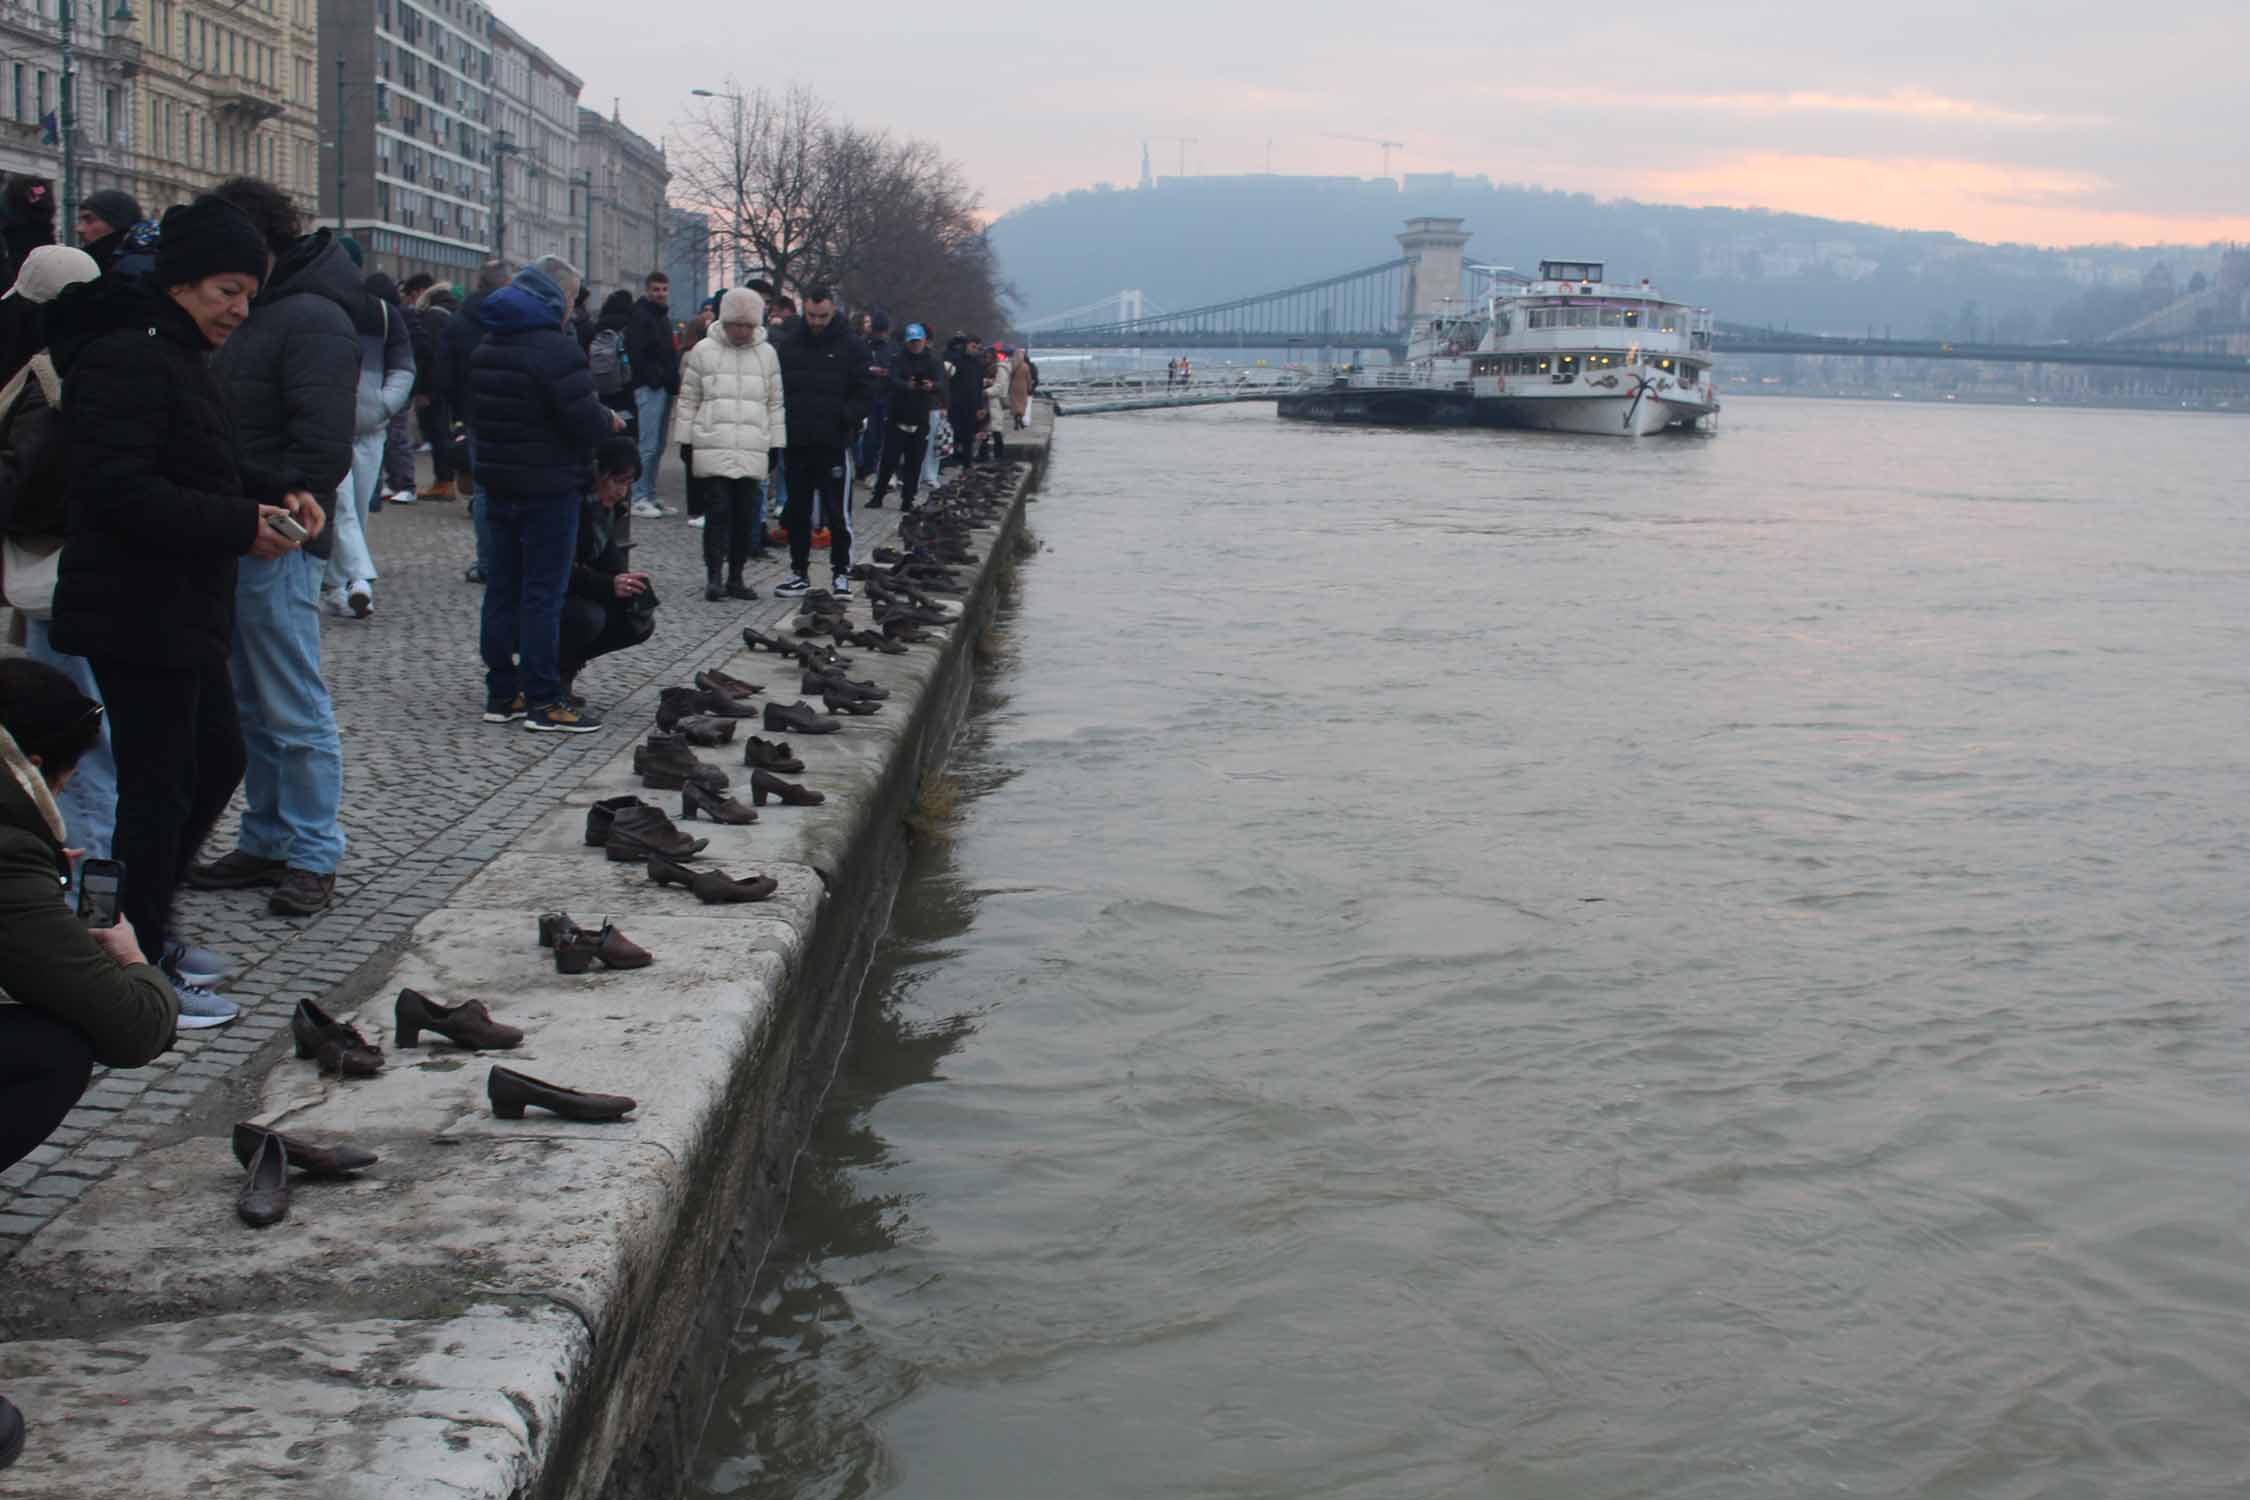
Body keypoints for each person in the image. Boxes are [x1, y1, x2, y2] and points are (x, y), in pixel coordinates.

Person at [47, 195, 325, 1016]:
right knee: (158, 784)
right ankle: (131, 964)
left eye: (249, 294)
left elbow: (198, 465)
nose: (239, 311)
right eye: (226, 292)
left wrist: (274, 494)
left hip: (181, 603)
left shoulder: (175, 353)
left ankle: (148, 925)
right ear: (178, 284)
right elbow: (119, 489)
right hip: (135, 606)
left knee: (212, 760)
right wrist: (241, 524)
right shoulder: (126, 357)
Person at [196, 176, 359, 922]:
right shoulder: (260, 310)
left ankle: (314, 848)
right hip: (232, 522)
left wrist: (289, 507)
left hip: (280, 536)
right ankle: (266, 837)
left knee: (291, 698)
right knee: (250, 701)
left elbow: (323, 444)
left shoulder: (311, 316)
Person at [468, 255, 622, 733]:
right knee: (542, 594)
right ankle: (543, 699)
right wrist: (609, 422)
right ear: (556, 299)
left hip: (497, 485)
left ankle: (502, 691)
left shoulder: (490, 341)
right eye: (573, 300)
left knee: (502, 588)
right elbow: (582, 418)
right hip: (548, 488)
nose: (575, 311)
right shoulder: (555, 349)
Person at [673, 286, 783, 601]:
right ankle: (714, 575)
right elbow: (689, 398)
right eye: (739, 324)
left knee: (745, 516)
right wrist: (685, 440)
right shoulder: (704, 351)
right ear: (727, 321)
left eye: (749, 325)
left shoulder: (767, 354)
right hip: (713, 442)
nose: (744, 331)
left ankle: (736, 575)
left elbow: (775, 403)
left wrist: (776, 444)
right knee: (718, 514)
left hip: (751, 445)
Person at [323, 268, 415, 616]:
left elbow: (404, 366)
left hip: (368, 428)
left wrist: (383, 406)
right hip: (338, 428)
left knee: (354, 510)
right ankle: (359, 578)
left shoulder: (382, 316)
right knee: (344, 507)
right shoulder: (334, 312)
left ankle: (338, 587)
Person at [771, 286, 871, 599]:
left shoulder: (852, 347)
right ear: (804, 312)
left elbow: (865, 391)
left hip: (834, 442)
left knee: (838, 514)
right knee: (797, 511)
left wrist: (847, 417)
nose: (816, 322)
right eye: (812, 316)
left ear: (833, 311)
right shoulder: (789, 347)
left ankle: (841, 572)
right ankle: (798, 571)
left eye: (823, 316)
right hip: (798, 441)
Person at [559, 438, 657, 703]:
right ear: (599, 475)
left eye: (627, 484)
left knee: (638, 622)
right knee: (589, 618)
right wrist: (609, 584)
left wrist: (629, 586)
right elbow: (559, 571)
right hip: (546, 598)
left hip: (578, 590)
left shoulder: (605, 510)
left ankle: (564, 671)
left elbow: (608, 559)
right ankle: (545, 674)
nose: (621, 492)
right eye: (618, 482)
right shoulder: (572, 507)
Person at [439, 258, 514, 581]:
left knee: (484, 492)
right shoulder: (513, 319)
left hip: (475, 413)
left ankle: (488, 563)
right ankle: (511, 560)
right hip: (512, 412)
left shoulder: (458, 320)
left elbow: (445, 375)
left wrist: (459, 411)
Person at [625, 270, 680, 518]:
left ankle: (649, 493)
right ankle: (638, 496)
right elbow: (637, 354)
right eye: (656, 289)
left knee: (658, 446)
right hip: (650, 387)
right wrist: (655, 379)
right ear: (647, 290)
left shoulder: (661, 317)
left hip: (662, 386)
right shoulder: (641, 316)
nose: (660, 294)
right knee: (647, 445)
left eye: (664, 289)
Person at [870, 322, 940, 512]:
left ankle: (908, 499)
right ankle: (878, 495)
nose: (915, 345)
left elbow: (942, 383)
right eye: (912, 342)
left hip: (920, 417)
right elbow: (892, 380)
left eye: (918, 341)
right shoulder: (897, 359)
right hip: (897, 415)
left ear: (924, 341)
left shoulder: (933, 361)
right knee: (888, 460)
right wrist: (906, 385)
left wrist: (931, 386)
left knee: (914, 462)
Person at [370, 273, 421, 507]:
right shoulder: (398, 316)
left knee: (396, 436)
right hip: (390, 384)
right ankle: (395, 481)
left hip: (394, 385)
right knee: (390, 436)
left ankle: (405, 484)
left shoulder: (397, 318)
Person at [412, 283, 461, 499]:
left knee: (436, 431)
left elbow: (426, 356)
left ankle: (444, 481)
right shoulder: (454, 313)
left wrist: (423, 389)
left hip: (433, 385)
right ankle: (447, 480)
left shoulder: (432, 318)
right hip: (451, 382)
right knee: (444, 432)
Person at [73, 188, 143, 273]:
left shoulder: (130, 272)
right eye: (80, 220)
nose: (79, 229)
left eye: (89, 219)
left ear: (117, 223)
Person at [946, 333, 986, 468]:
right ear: (966, 346)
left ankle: (967, 464)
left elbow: (979, 386)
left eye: (977, 347)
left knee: (968, 436)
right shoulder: (956, 360)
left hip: (972, 404)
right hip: (956, 403)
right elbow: (947, 354)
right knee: (954, 433)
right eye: (972, 346)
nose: (974, 349)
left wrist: (980, 406)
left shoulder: (978, 364)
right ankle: (951, 460)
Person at [1009, 342, 1035, 429]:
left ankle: (1016, 418)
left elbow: (1008, 376)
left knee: (1015, 402)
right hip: (1023, 386)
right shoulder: (1025, 366)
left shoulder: (1012, 365)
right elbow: (1029, 378)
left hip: (1013, 386)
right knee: (1022, 403)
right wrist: (1030, 387)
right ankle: (1020, 416)